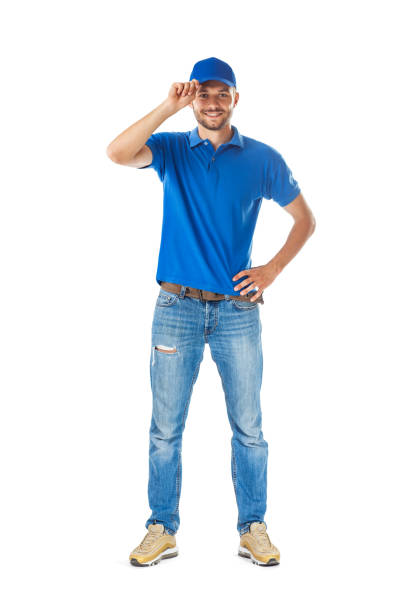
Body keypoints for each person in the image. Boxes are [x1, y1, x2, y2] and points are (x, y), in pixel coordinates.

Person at [106, 57, 316, 567]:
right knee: (165, 428)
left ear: (236, 99)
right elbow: (116, 153)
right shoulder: (173, 149)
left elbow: (305, 220)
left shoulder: (262, 159)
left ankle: (253, 527)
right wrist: (167, 105)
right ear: (193, 99)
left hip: (237, 312)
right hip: (175, 307)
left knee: (249, 427)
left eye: (223, 94)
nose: (213, 103)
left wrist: (271, 270)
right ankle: (161, 527)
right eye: (204, 94)